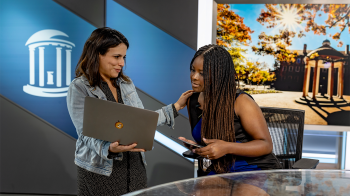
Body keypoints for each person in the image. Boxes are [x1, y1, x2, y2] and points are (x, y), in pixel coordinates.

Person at [67, 27, 193, 195]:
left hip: (134, 168)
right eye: (117, 57)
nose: (122, 63)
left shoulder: (126, 84)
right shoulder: (80, 87)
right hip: (101, 172)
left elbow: (141, 121)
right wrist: (109, 149)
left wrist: (176, 106)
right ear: (97, 54)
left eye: (124, 57)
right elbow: (85, 133)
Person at [179, 44, 281, 176]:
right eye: (193, 70)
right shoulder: (191, 100)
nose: (194, 77)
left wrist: (227, 147)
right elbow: (210, 138)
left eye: (202, 73)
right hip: (220, 170)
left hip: (254, 168)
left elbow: (265, 144)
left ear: (219, 75)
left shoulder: (241, 101)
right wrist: (200, 148)